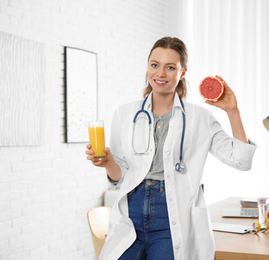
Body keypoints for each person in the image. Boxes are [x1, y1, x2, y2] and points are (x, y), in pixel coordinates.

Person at [85, 36, 257, 260]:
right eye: (154, 65)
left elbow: (241, 161)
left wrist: (233, 111)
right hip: (131, 215)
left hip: (171, 218)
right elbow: (121, 177)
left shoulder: (200, 118)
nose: (160, 73)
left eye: (170, 67)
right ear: (147, 66)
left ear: (183, 72)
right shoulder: (125, 114)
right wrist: (108, 163)